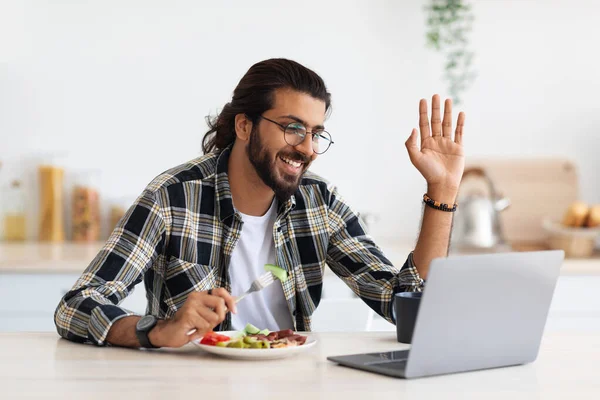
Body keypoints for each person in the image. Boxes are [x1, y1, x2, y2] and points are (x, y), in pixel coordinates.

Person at [54, 58, 466, 349]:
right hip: (188, 386)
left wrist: (442, 192)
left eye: (315, 133)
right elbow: (76, 306)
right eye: (291, 128)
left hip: (294, 384)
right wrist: (157, 330)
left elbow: (407, 304)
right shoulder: (172, 197)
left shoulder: (319, 203)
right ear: (244, 124)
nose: (307, 148)